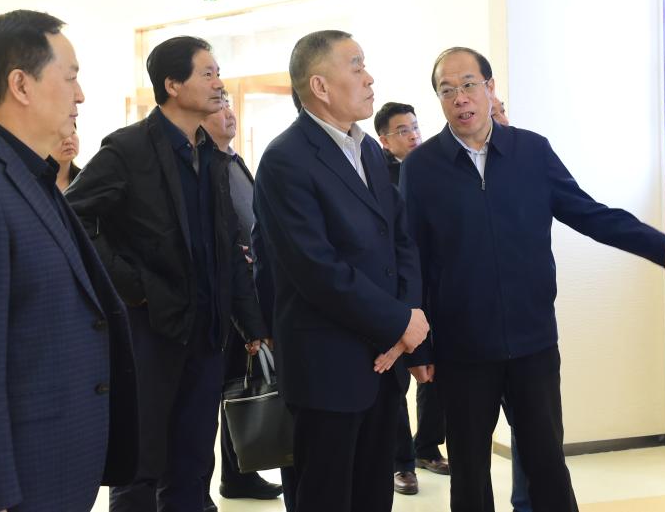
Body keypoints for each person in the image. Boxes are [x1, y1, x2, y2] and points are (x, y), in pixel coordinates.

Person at [401, 47, 665, 512]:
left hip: (532, 342)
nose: (460, 98)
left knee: (547, 466)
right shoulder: (421, 168)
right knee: (470, 474)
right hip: (462, 349)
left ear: (490, 87)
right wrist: (419, 349)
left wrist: (657, 245)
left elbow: (588, 212)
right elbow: (411, 256)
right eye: (447, 90)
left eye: (469, 85)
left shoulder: (531, 151)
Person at [0, 10, 138, 512]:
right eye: (71, 77)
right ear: (21, 85)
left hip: (51, 466)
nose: (81, 95)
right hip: (13, 485)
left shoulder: (27, 173)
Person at [66, 36, 268, 512]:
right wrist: (132, 286)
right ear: (172, 85)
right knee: (140, 465)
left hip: (208, 334)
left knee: (193, 463)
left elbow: (226, 244)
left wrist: (252, 323)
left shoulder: (210, 153)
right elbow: (73, 216)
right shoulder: (128, 148)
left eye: (219, 73)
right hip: (152, 333)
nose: (219, 84)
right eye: (208, 74)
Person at [253, 30, 429, 512]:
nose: (369, 78)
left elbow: (400, 240)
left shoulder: (368, 149)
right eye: (356, 66)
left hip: (384, 361)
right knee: (325, 497)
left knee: (373, 496)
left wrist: (407, 322)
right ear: (321, 86)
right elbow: (316, 269)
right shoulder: (285, 159)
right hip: (327, 367)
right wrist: (397, 321)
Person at [200, 94, 284, 504]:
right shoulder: (202, 164)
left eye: (229, 105)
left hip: (247, 292)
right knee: (214, 393)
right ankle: (200, 489)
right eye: (218, 107)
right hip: (222, 297)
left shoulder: (232, 161)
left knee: (240, 386)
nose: (228, 113)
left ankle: (239, 475)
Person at [373, 101, 451, 496]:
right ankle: (401, 463)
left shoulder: (434, 170)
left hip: (435, 288)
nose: (413, 135)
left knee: (433, 373)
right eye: (402, 130)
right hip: (399, 292)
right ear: (384, 140)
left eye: (415, 127)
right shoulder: (379, 178)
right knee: (398, 379)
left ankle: (427, 447)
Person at [52, 126, 81, 191]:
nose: (68, 140)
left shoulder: (87, 180)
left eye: (72, 132)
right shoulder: (32, 182)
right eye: (59, 135)